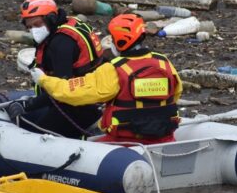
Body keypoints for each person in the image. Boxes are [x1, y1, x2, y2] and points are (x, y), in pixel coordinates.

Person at [30, 13, 183, 144]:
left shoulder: (114, 69)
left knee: (83, 140)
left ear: (120, 41)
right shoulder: (164, 62)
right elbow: (176, 93)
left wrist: (44, 80)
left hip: (124, 140)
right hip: (164, 136)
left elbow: (74, 92)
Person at [5, 0, 105, 138]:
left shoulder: (61, 44)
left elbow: (62, 89)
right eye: (29, 26)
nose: (34, 30)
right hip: (90, 98)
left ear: (50, 18)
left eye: (37, 24)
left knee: (33, 135)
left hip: (77, 107)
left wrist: (27, 105)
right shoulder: (70, 24)